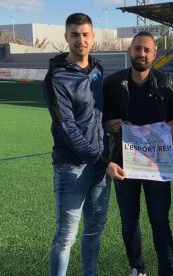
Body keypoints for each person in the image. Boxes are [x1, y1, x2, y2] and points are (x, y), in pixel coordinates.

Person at [43, 13, 125, 276]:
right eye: (75, 34)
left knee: (93, 232)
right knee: (65, 237)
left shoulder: (98, 69)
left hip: (100, 166)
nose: (81, 40)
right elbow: (68, 129)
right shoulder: (56, 78)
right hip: (72, 167)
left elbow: (92, 115)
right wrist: (105, 162)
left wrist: (106, 124)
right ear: (66, 37)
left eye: (86, 34)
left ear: (93, 37)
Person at [103, 31, 173, 276]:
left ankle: (166, 270)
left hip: (158, 165)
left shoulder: (167, 83)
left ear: (154, 54)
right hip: (123, 163)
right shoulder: (113, 83)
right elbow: (99, 117)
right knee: (129, 221)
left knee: (160, 220)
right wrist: (108, 124)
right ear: (130, 51)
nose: (142, 54)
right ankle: (137, 269)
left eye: (146, 50)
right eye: (137, 48)